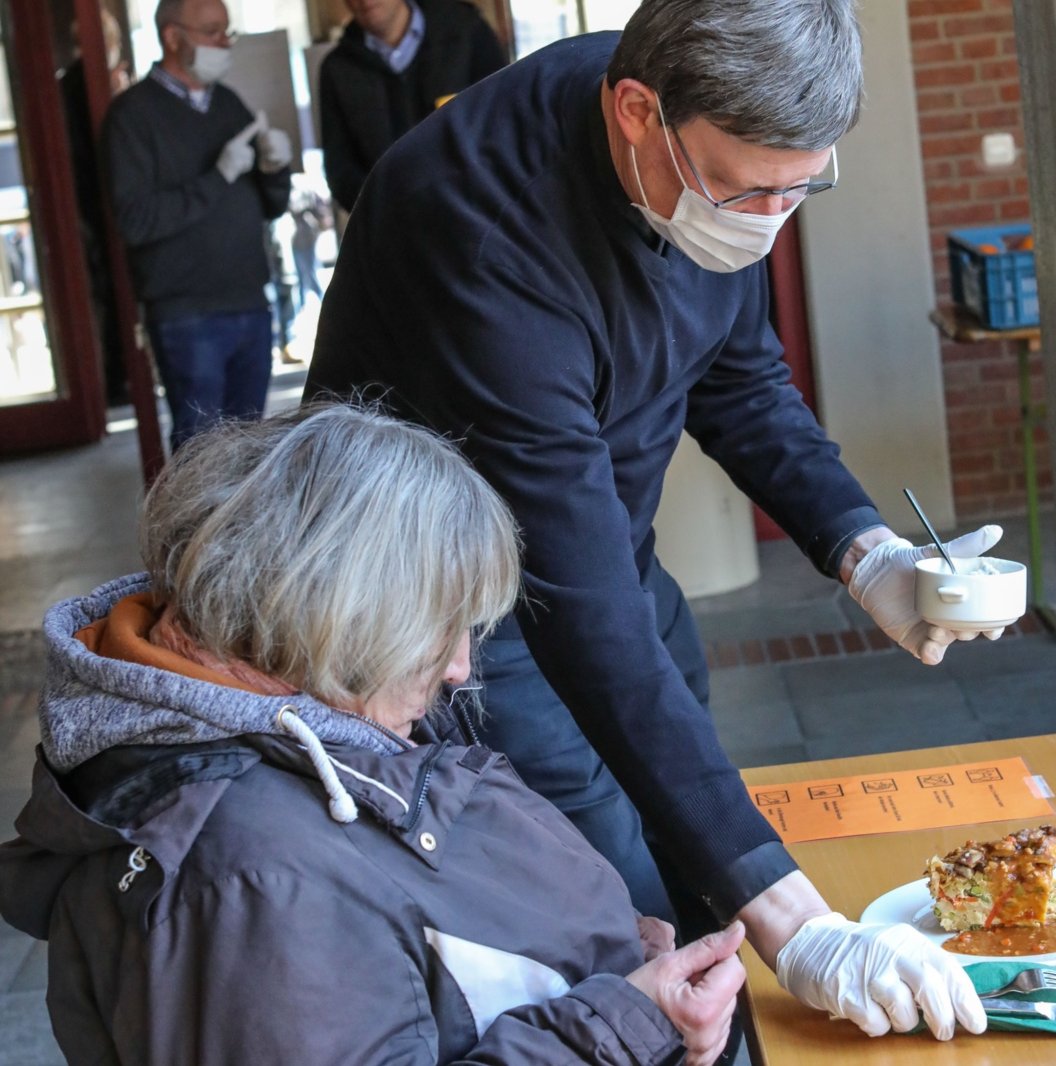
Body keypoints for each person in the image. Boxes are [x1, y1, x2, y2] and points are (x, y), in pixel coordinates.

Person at [305, 0, 996, 1041]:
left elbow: (743, 380)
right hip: (459, 632)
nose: (769, 218)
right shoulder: (482, 229)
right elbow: (578, 608)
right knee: (624, 939)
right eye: (750, 189)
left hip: (614, 568)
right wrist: (802, 925)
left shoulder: (707, 138)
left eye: (799, 188)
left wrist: (870, 552)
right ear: (637, 113)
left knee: (708, 873)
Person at [0, 405, 747, 1065]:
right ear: (338, 613)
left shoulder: (304, 715)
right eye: (442, 627)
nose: (458, 667)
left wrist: (624, 975)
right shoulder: (253, 880)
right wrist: (620, 1025)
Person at [101, 0, 293, 450]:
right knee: (200, 452)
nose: (224, 43)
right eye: (212, 32)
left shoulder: (228, 104)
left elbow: (270, 207)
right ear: (172, 37)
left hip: (249, 301)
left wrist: (275, 169)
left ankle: (239, 526)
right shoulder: (132, 116)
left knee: (249, 452)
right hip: (187, 313)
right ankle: (195, 526)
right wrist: (218, 177)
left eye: (228, 32)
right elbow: (136, 222)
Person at [319, 0, 507, 212]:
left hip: (484, 218)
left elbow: (506, 127)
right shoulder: (337, 69)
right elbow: (340, 170)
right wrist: (390, 217)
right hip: (395, 233)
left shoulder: (467, 33)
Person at [58, 7, 130, 406]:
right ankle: (114, 378)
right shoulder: (77, 84)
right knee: (106, 290)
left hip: (112, 199)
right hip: (93, 203)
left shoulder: (111, 78)